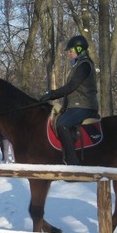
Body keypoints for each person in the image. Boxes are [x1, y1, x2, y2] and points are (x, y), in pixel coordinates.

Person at [39, 35, 99, 165]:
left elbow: (71, 87)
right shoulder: (77, 65)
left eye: (70, 51)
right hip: (77, 105)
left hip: (85, 105)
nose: (68, 53)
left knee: (63, 124)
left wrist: (52, 94)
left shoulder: (84, 66)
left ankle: (73, 162)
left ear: (79, 50)